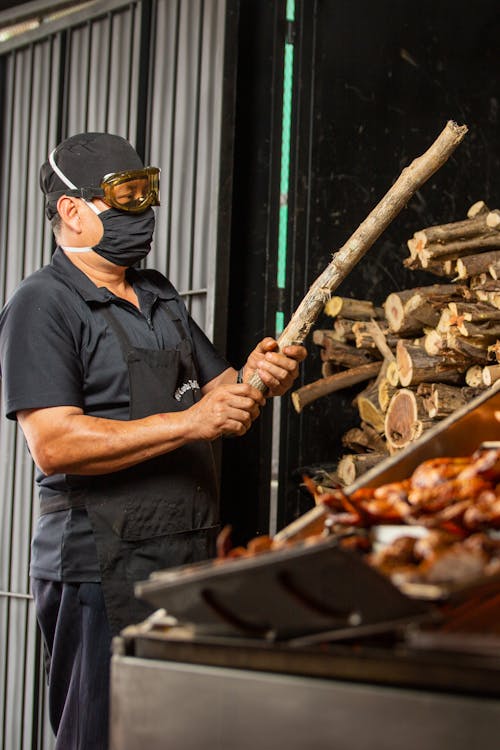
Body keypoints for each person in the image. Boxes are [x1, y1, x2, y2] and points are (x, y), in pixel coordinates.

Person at [0, 132, 307, 750]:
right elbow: (54, 443)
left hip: (185, 554)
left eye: (148, 192)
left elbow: (228, 399)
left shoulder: (158, 294)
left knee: (176, 730)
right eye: (126, 196)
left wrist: (261, 378)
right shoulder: (44, 304)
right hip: (99, 562)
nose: (144, 212)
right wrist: (194, 421)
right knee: (103, 731)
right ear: (72, 210)